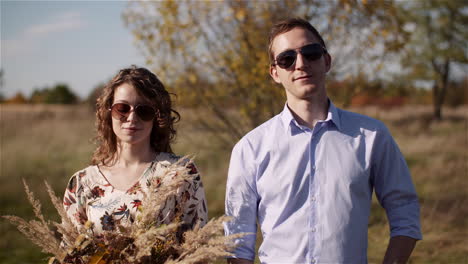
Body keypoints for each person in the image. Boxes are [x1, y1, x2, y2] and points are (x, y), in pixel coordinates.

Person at [224, 18, 422, 264]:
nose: (300, 64)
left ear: (326, 61)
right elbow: (237, 242)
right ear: (275, 72)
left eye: (311, 53)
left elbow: (405, 211)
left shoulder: (372, 136)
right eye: (287, 58)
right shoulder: (250, 148)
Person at [63, 66, 207, 234]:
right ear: (108, 112)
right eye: (122, 108)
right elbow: (71, 252)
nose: (132, 118)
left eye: (144, 111)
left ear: (157, 116)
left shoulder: (180, 173)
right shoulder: (82, 183)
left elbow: (196, 246)